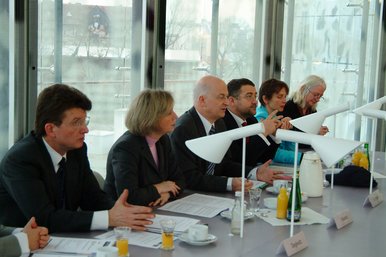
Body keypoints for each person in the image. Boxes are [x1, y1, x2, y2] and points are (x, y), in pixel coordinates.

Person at [0, 84, 155, 233]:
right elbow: (45, 218)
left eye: (85, 121)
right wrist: (109, 218)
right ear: (51, 129)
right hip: (25, 245)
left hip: (68, 239)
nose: (85, 129)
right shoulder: (20, 160)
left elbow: (93, 198)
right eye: (76, 123)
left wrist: (122, 211)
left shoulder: (76, 151)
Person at [170, 75, 281, 192]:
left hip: (211, 193)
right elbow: (188, 177)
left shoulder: (219, 124)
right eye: (221, 97)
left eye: (227, 97)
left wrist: (253, 172)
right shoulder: (184, 128)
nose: (227, 103)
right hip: (191, 195)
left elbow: (225, 164)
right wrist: (228, 184)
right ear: (202, 100)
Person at [104, 89, 185, 207]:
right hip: (124, 217)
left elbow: (180, 180)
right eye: (169, 113)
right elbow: (129, 197)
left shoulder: (163, 140)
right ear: (152, 116)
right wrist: (160, 187)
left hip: (153, 208)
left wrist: (167, 193)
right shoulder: (125, 147)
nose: (176, 116)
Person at [224, 78, 283, 166]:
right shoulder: (223, 122)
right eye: (249, 96)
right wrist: (263, 132)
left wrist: (273, 135)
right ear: (232, 101)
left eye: (255, 96)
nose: (255, 101)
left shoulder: (251, 120)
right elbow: (240, 162)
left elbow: (264, 158)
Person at [255, 78, 302, 164]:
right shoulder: (259, 120)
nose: (284, 101)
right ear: (265, 99)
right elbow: (272, 154)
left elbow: (289, 149)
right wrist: (302, 158)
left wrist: (289, 130)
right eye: (279, 97)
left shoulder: (278, 117)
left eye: (285, 97)